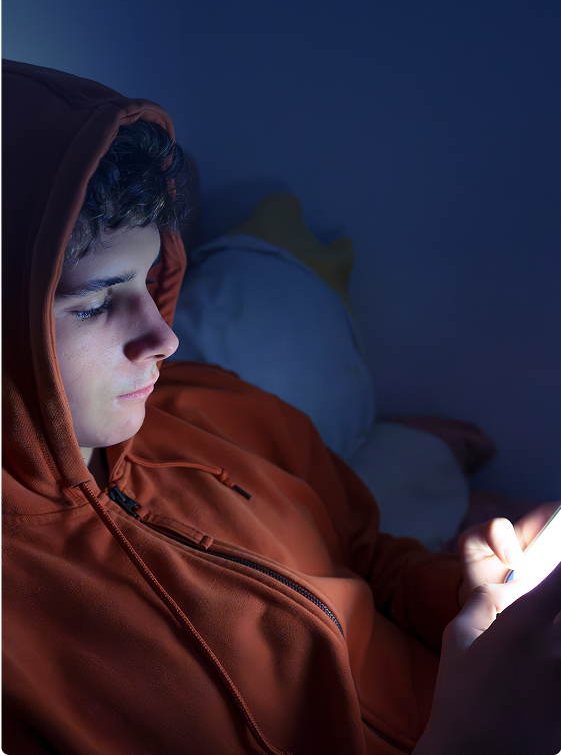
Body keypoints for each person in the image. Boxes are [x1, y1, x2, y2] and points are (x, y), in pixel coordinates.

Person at [1, 58, 559, 755]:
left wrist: (491, 602)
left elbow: (370, 559)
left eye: (151, 278)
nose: (163, 337)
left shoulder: (216, 408)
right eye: (94, 303)